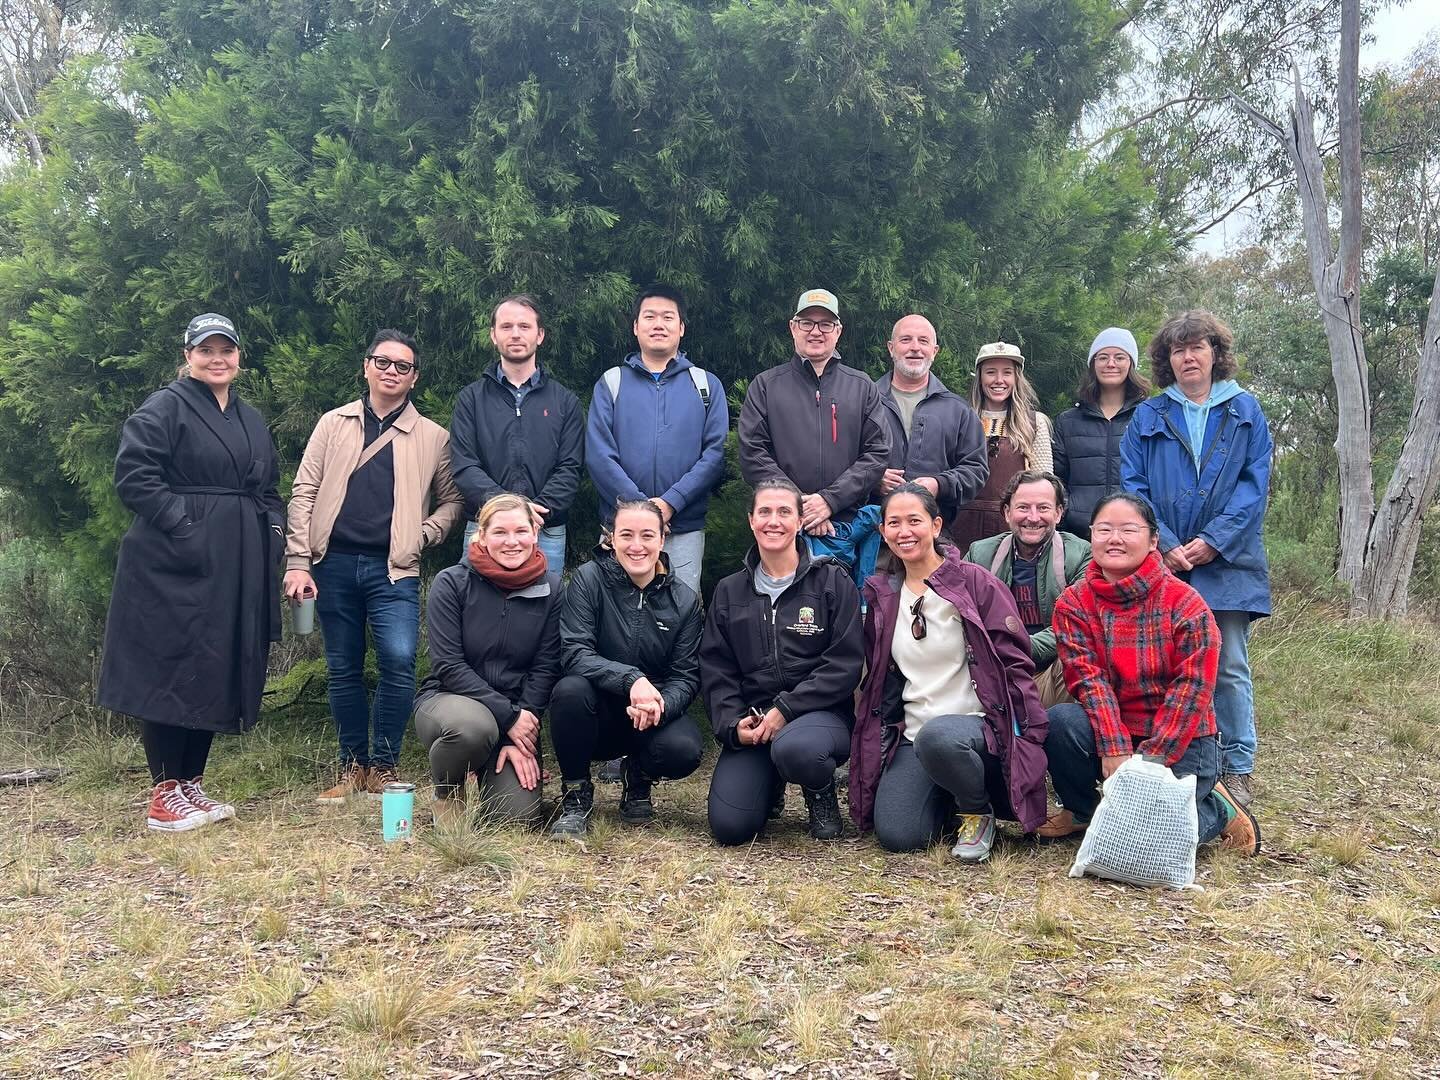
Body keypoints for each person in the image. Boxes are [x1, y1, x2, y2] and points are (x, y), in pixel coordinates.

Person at [99, 313, 284, 831]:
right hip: (173, 563)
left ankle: (191, 784)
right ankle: (163, 793)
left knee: (216, 662)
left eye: (226, 349)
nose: (217, 358)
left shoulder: (249, 417)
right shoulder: (165, 408)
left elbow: (267, 486)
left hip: (237, 562)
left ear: (239, 357)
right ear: (189, 356)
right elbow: (134, 476)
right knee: (171, 665)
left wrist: (272, 535)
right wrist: (185, 527)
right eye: (206, 350)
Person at [284, 329, 464, 801]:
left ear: (414, 378)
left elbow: (452, 502)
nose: (391, 371)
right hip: (333, 565)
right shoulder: (332, 424)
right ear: (366, 367)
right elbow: (303, 491)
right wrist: (298, 560)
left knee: (400, 661)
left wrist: (422, 536)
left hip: (394, 570)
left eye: (402, 366)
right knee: (342, 667)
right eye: (382, 362)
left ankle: (383, 765)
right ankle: (351, 766)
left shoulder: (433, 437)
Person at [1038, 493, 1260, 854]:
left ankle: (1216, 808)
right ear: (1091, 535)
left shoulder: (1185, 602)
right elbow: (1087, 680)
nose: (1115, 539)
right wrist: (1113, 746)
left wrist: (1151, 762)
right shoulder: (1074, 603)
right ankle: (1082, 809)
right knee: (1060, 720)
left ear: (1153, 539)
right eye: (1104, 529)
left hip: (1181, 738)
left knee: (1147, 842)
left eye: (1128, 529)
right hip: (1116, 734)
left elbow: (1193, 690)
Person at [849, 484, 1050, 862]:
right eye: (894, 523)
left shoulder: (974, 583)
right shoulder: (883, 595)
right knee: (899, 835)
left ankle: (977, 810)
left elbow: (1015, 662)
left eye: (915, 521)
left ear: (936, 525)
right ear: (882, 533)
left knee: (939, 737)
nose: (904, 531)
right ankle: (948, 798)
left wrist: (1032, 733)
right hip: (914, 734)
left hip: (975, 730)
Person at [1120, 310, 1272, 807]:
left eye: (1198, 346)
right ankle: (1175, 758)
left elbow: (1254, 488)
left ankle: (1237, 765)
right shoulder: (1149, 415)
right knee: (1163, 664)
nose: (1188, 356)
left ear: (1214, 353)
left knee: (1227, 664)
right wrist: (1162, 543)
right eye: (1178, 349)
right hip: (1163, 562)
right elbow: (1132, 486)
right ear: (1168, 359)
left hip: (1227, 561)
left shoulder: (1245, 411)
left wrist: (1212, 541)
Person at [701, 478, 864, 845]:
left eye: (784, 512)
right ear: (751, 521)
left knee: (797, 748)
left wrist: (786, 709)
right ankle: (769, 781)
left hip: (821, 716)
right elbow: (716, 667)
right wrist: (732, 723)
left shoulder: (832, 581)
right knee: (730, 828)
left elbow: (844, 664)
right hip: (755, 719)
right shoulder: (729, 591)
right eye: (765, 512)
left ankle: (818, 792)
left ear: (800, 520)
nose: (773, 521)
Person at [548, 499, 704, 837]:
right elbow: (574, 652)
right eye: (626, 535)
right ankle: (576, 797)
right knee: (569, 691)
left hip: (648, 717)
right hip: (596, 712)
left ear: (663, 539)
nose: (637, 546)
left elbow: (686, 676)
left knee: (685, 749)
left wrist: (660, 706)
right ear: (611, 538)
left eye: (647, 535)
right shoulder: (589, 580)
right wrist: (631, 679)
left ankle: (639, 779)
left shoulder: (685, 600)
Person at [413, 494, 562, 829]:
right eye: (500, 532)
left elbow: (546, 667)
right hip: (451, 702)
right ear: (480, 535)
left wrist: (517, 734)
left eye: (521, 531)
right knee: (472, 729)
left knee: (513, 820)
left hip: (516, 717)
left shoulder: (551, 588)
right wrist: (507, 717)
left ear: (535, 535)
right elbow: (448, 665)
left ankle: (492, 775)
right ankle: (448, 793)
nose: (512, 542)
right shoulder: (451, 583)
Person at [586, 283, 729, 596]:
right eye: (649, 316)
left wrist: (669, 504)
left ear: (681, 328)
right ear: (636, 327)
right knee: (615, 613)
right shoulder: (612, 382)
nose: (659, 324)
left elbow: (715, 455)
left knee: (681, 612)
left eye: (668, 317)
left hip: (683, 527)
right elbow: (599, 455)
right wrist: (640, 510)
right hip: (621, 528)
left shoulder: (705, 385)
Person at [738, 288, 890, 537]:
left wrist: (830, 501)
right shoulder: (765, 385)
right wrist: (799, 506)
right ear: (793, 327)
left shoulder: (862, 387)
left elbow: (878, 453)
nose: (816, 331)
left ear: (838, 331)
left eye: (826, 324)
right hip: (781, 526)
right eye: (807, 323)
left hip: (846, 528)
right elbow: (752, 453)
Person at [449, 295, 584, 571]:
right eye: (506, 326)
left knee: (544, 609)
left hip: (546, 528)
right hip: (485, 527)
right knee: (478, 609)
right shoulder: (471, 399)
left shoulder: (565, 401)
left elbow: (571, 467)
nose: (515, 334)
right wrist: (506, 511)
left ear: (540, 335)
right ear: (493, 335)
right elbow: (464, 465)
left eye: (524, 326)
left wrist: (535, 513)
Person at [965, 471, 1090, 707]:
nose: (1033, 518)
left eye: (1043, 508)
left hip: (1050, 673)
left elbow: (1077, 627)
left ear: (1059, 513)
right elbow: (963, 618)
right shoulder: (980, 554)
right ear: (1006, 512)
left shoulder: (1081, 554)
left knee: (1078, 657)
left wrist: (1015, 648)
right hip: (994, 674)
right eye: (1023, 507)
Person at [875, 314, 988, 528]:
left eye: (923, 341)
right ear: (891, 348)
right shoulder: (865, 402)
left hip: (935, 536)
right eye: (906, 339)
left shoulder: (958, 410)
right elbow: (843, 461)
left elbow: (976, 470)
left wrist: (939, 484)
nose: (915, 348)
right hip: (872, 534)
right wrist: (872, 479)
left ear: (934, 351)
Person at [951, 341, 1053, 552]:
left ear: (1017, 378)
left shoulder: (1034, 423)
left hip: (1014, 527)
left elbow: (1045, 487)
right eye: (991, 372)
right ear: (980, 377)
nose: (999, 380)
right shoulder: (959, 419)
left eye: (1007, 373)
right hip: (962, 526)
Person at [1052, 327, 1151, 536]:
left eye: (1120, 357)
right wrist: (1067, 517)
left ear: (1131, 363)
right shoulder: (1067, 421)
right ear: (1093, 364)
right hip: (1078, 535)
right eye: (1103, 357)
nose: (1111, 364)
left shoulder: (1149, 417)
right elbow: (1057, 481)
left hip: (1132, 534)